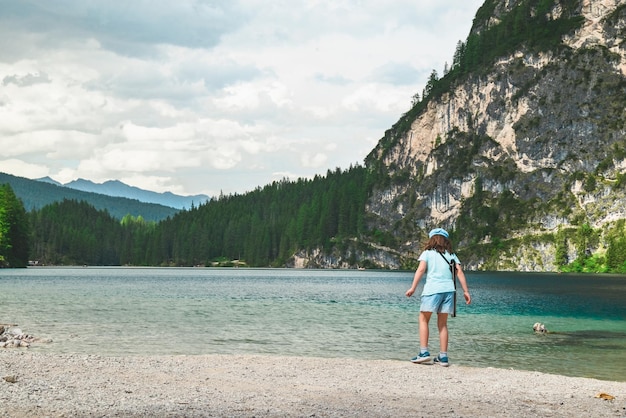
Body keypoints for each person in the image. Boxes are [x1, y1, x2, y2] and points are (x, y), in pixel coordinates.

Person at [405, 228, 471, 367]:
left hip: (432, 290)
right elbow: (459, 272)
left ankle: (424, 353)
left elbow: (421, 270)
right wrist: (466, 291)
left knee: (423, 319)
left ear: (431, 239)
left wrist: (413, 287)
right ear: (446, 240)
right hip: (449, 291)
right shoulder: (451, 254)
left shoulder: (427, 253)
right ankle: (443, 356)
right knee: (442, 324)